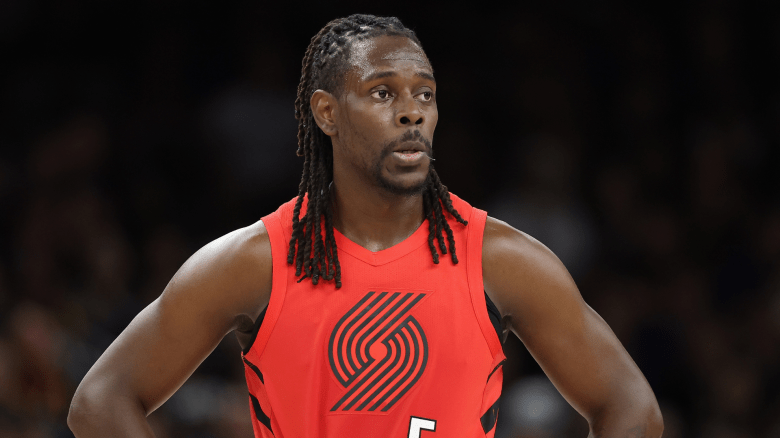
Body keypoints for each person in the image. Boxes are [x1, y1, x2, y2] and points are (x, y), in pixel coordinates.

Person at [67, 14, 663, 438]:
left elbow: (632, 408)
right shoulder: (256, 260)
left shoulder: (500, 259)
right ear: (327, 113)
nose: (411, 112)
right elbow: (100, 400)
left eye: (424, 94)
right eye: (382, 93)